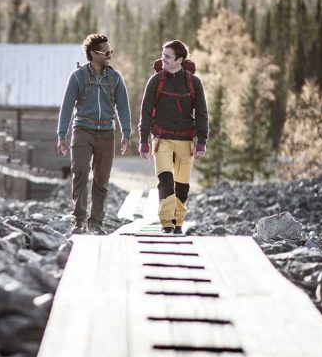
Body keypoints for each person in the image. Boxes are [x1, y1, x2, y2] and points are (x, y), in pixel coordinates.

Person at [57, 33, 131, 235]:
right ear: (93, 54)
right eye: (105, 52)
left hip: (107, 133)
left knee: (101, 179)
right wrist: (61, 134)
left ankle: (96, 223)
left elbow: (123, 107)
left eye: (110, 52)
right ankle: (79, 220)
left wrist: (126, 132)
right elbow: (66, 107)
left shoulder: (115, 78)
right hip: (82, 131)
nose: (109, 55)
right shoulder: (77, 77)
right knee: (80, 172)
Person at [138, 40, 209, 234]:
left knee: (182, 185)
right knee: (166, 181)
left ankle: (178, 222)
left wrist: (202, 141)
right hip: (161, 139)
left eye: (167, 57)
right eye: (163, 55)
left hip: (186, 141)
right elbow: (145, 112)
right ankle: (167, 223)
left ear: (179, 59)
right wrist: (143, 141)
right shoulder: (156, 81)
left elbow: (202, 113)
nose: (163, 59)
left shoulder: (193, 82)